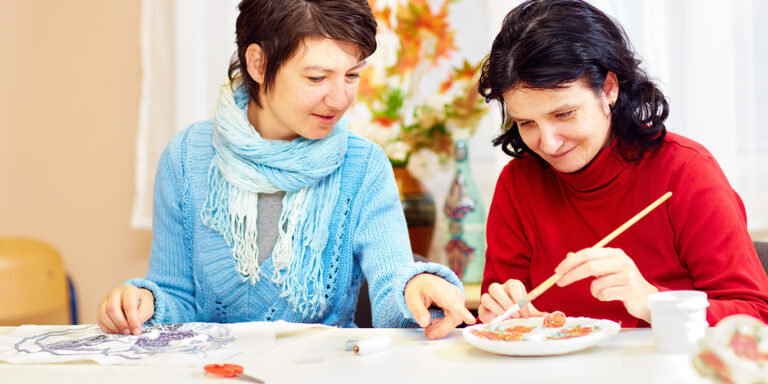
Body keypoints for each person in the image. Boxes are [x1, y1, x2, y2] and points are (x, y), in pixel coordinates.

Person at [97, 0, 475, 340]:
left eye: (351, 75)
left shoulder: (363, 166)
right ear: (259, 64)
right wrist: (142, 302)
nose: (340, 98)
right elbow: (176, 298)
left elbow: (391, 282)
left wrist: (415, 284)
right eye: (316, 78)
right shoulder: (185, 157)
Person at [477, 0, 768, 327]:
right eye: (526, 122)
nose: (549, 143)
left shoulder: (685, 172)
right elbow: (499, 315)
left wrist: (654, 302)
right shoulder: (519, 184)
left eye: (563, 114)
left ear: (609, 88)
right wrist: (497, 316)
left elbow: (756, 315)